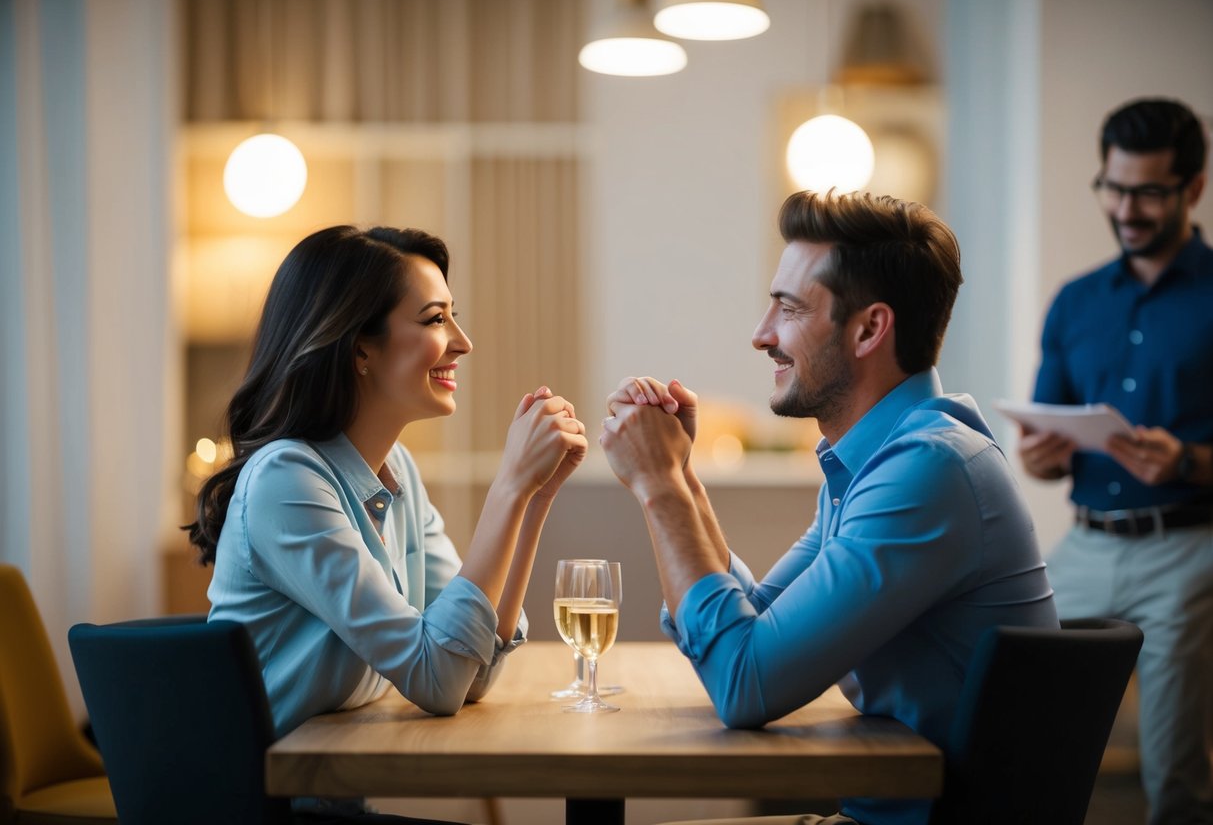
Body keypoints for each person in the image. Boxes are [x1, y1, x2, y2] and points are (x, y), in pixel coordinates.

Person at [599, 190, 1058, 825]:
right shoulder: (875, 461)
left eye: (788, 309)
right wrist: (680, 474)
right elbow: (758, 621)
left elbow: (742, 682)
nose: (762, 335)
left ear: (870, 328)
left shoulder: (929, 470)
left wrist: (659, 488)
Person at [188, 225, 587, 742]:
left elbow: (471, 673)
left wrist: (534, 497)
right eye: (435, 320)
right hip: (261, 806)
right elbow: (438, 679)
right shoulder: (286, 481)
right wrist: (508, 485)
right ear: (360, 349)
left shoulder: (397, 470)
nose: (463, 344)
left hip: (333, 795)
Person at [1018, 97, 1213, 825]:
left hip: (1189, 552)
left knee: (1174, 777)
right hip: (1085, 544)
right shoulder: (1073, 302)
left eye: (1148, 191)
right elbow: (1045, 450)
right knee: (1009, 713)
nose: (1125, 208)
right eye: (1113, 187)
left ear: (1191, 189)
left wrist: (1190, 461)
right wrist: (1038, 459)